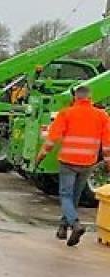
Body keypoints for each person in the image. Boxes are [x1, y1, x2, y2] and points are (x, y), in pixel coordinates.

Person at [34, 85, 110, 246]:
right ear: (90, 98)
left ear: (75, 97)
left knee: (66, 195)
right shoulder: (101, 115)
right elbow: (107, 144)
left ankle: (75, 224)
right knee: (74, 196)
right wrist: (108, 162)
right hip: (88, 162)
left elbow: (51, 141)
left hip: (68, 161)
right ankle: (63, 228)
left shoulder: (66, 113)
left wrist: (40, 157)